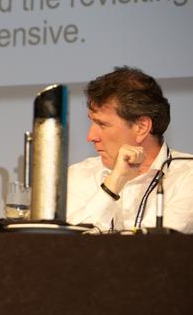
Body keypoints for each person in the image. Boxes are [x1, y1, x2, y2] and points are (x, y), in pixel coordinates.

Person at [66, 66, 193, 233]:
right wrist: (114, 181)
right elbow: (66, 245)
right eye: (92, 122)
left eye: (102, 124)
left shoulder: (187, 177)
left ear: (141, 127)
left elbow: (158, 249)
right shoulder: (79, 175)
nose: (90, 136)